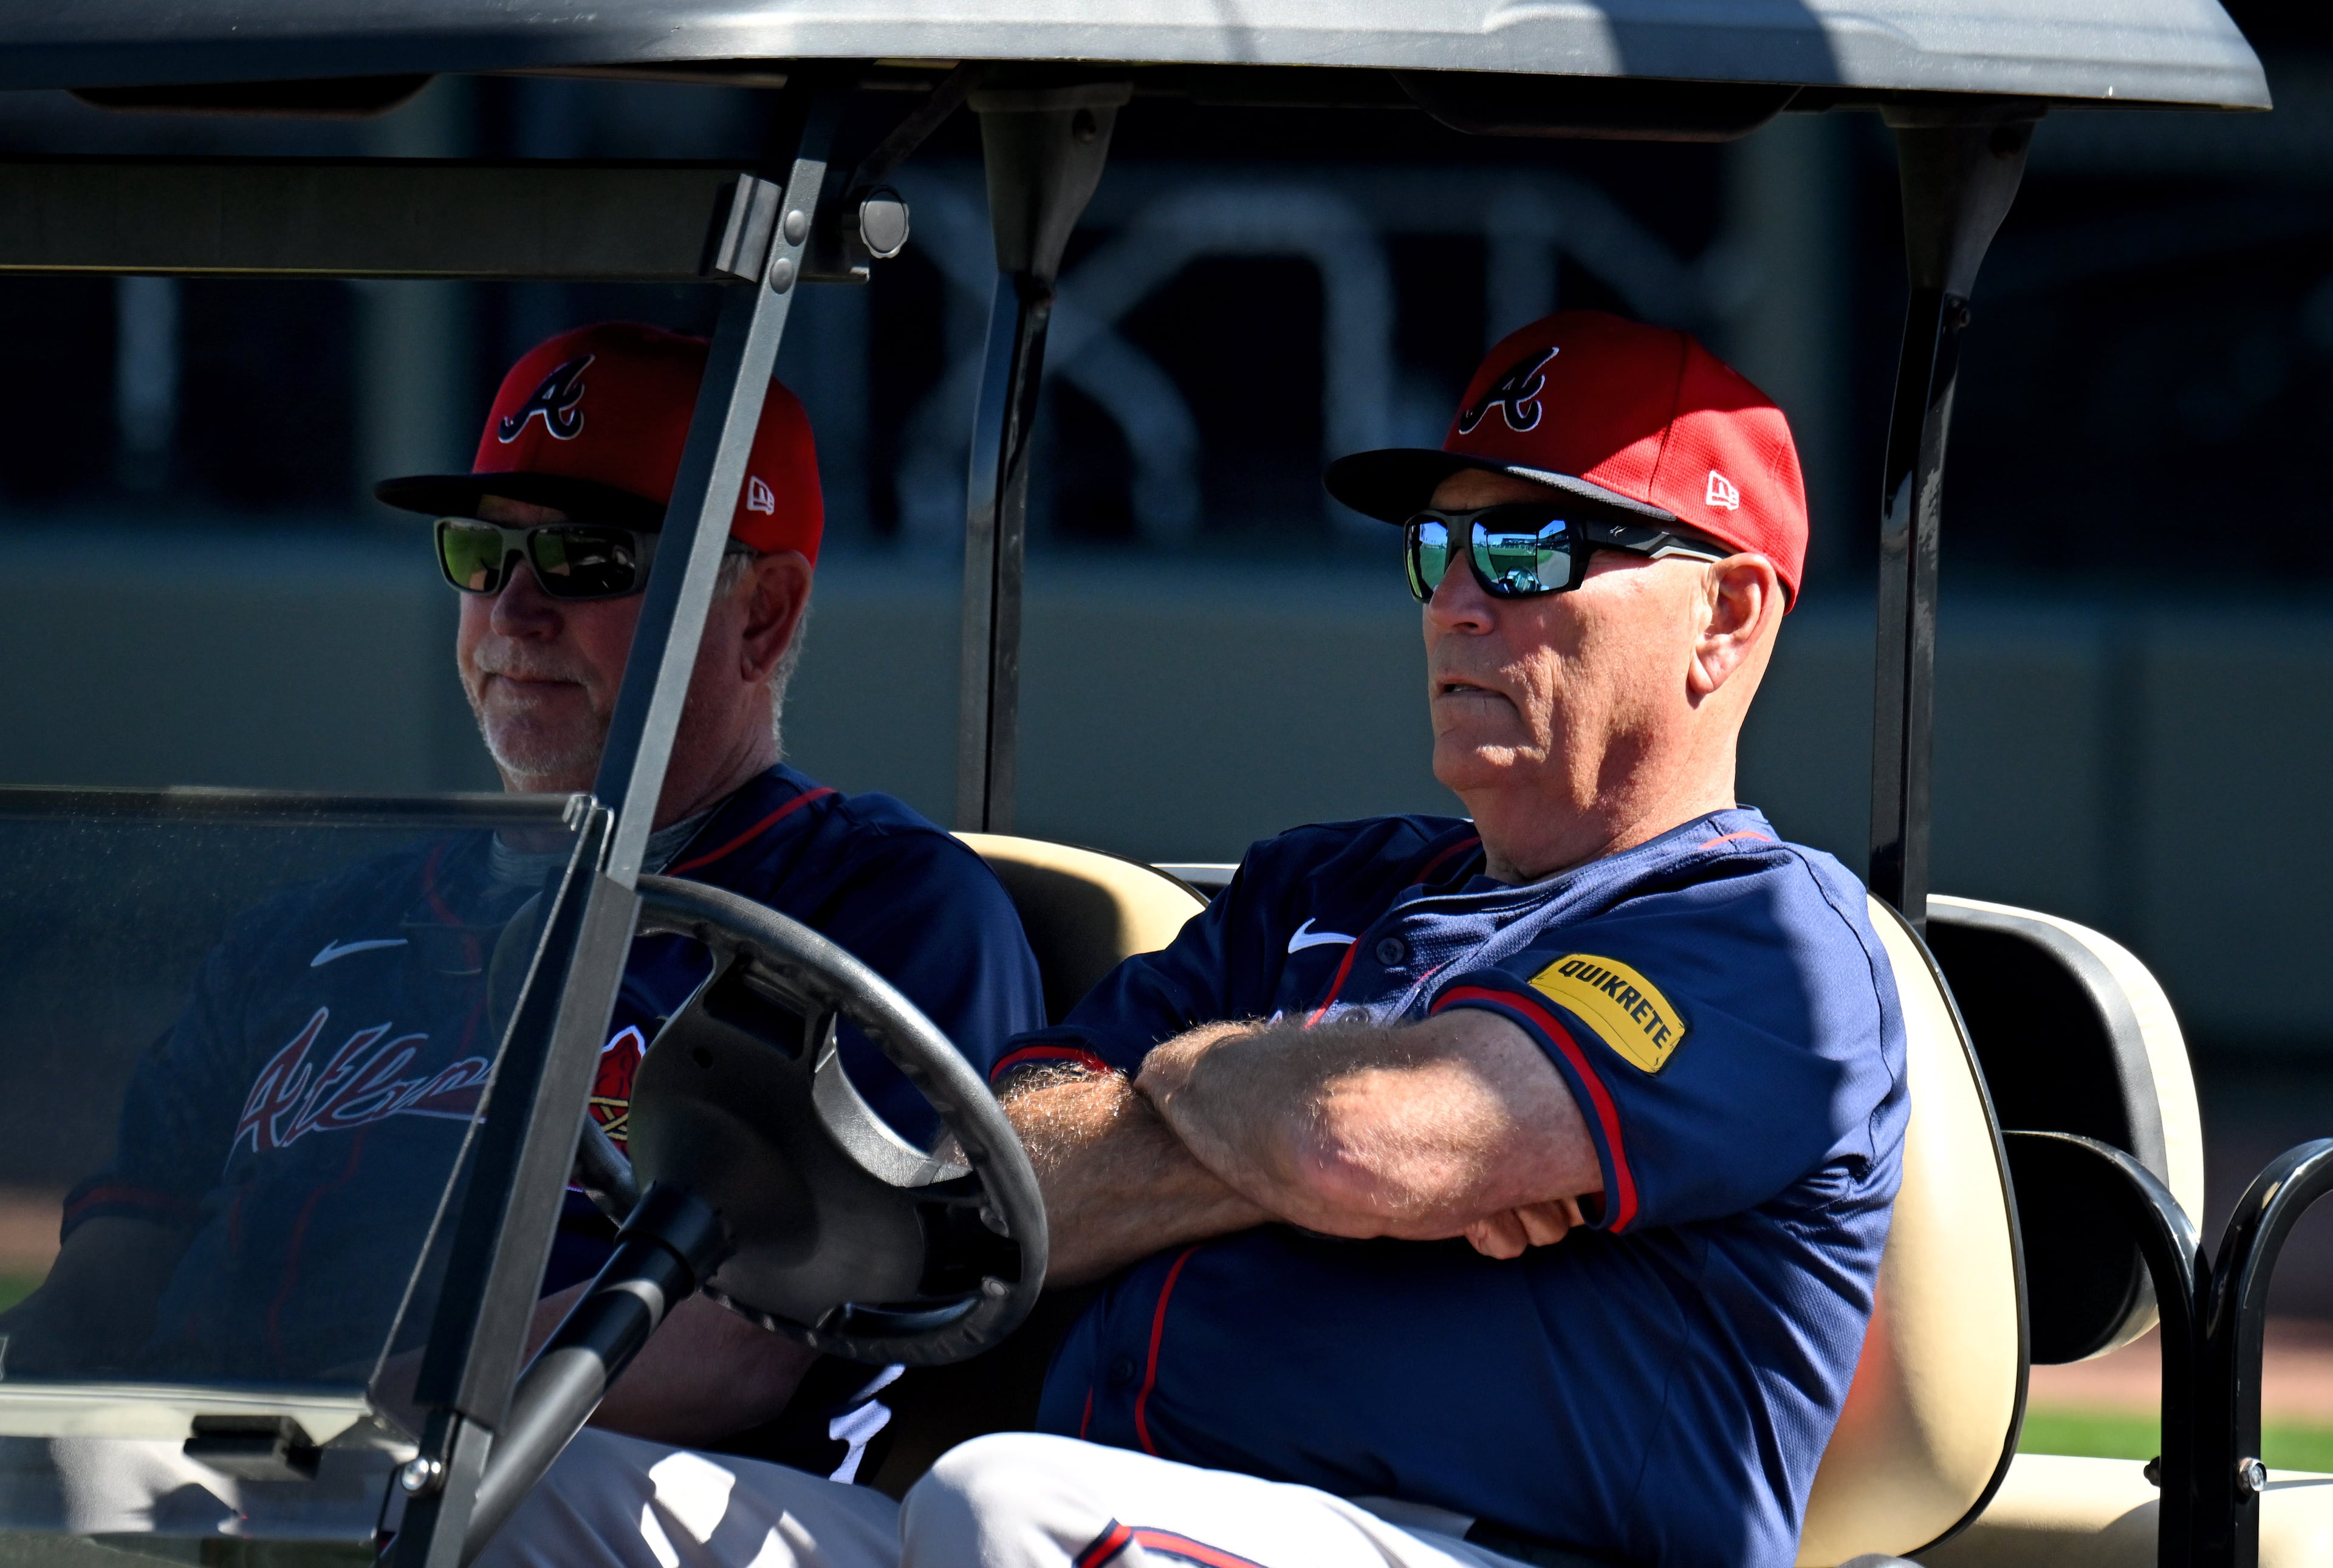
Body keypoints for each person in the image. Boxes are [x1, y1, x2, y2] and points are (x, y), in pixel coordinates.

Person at [488, 310, 1905, 1568]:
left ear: (1724, 613)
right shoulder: (1316, 886)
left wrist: (1249, 1109)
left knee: (1009, 1508)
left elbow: (1362, 1143)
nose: (1460, 600)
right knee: (526, 1493)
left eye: (1532, 549)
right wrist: (1296, 1119)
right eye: (1438, 547)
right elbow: (1002, 1180)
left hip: (1502, 1541)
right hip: (1158, 1508)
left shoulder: (1766, 938)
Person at [2, 322, 1046, 1457]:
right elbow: (111, 1278)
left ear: (763, 614)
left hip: (607, 1498)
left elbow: (741, 1343)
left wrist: (341, 1444)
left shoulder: (876, 911)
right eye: (479, 553)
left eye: (586, 561)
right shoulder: (307, 932)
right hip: (244, 1494)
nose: (511, 612)